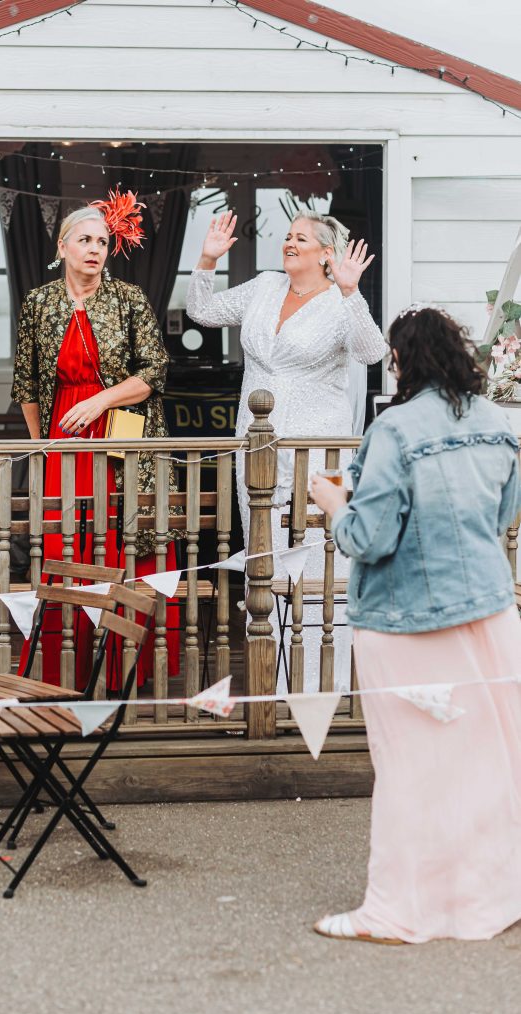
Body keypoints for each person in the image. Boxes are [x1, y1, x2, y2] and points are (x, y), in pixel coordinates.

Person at [310, 305, 521, 944]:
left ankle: (397, 911)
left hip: (408, 622)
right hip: (490, 611)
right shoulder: (501, 425)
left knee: (409, 770)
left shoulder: (394, 429)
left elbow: (369, 539)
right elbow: (505, 514)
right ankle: (493, 894)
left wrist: (334, 505)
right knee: (489, 765)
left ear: (402, 360)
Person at [186, 209, 387, 690]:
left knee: (321, 559)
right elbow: (203, 312)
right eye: (288, 236)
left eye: (300, 238)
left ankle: (326, 683)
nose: (289, 243)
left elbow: (372, 351)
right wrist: (207, 259)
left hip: (320, 450)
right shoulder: (265, 287)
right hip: (254, 445)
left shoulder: (341, 300)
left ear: (325, 254)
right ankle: (272, 683)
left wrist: (351, 293)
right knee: (266, 560)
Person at [11, 191, 180, 689]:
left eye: (102, 242)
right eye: (84, 240)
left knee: (120, 538)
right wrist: (42, 445)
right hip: (63, 438)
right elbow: (26, 382)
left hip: (118, 437)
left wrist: (101, 400)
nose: (94, 249)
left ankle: (122, 667)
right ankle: (69, 665)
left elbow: (155, 371)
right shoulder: (39, 302)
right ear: (62, 246)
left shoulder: (130, 299)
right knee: (68, 544)